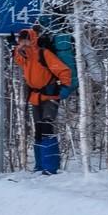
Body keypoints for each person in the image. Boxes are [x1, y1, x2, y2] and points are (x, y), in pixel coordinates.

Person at [13, 27, 72, 174]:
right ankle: (40, 165)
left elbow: (64, 70)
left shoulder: (43, 53)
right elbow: (18, 59)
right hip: (35, 97)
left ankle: (51, 167)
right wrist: (14, 47)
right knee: (39, 129)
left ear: (33, 39)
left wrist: (64, 88)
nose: (24, 42)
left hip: (50, 95)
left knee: (47, 127)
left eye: (26, 39)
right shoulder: (24, 56)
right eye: (22, 40)